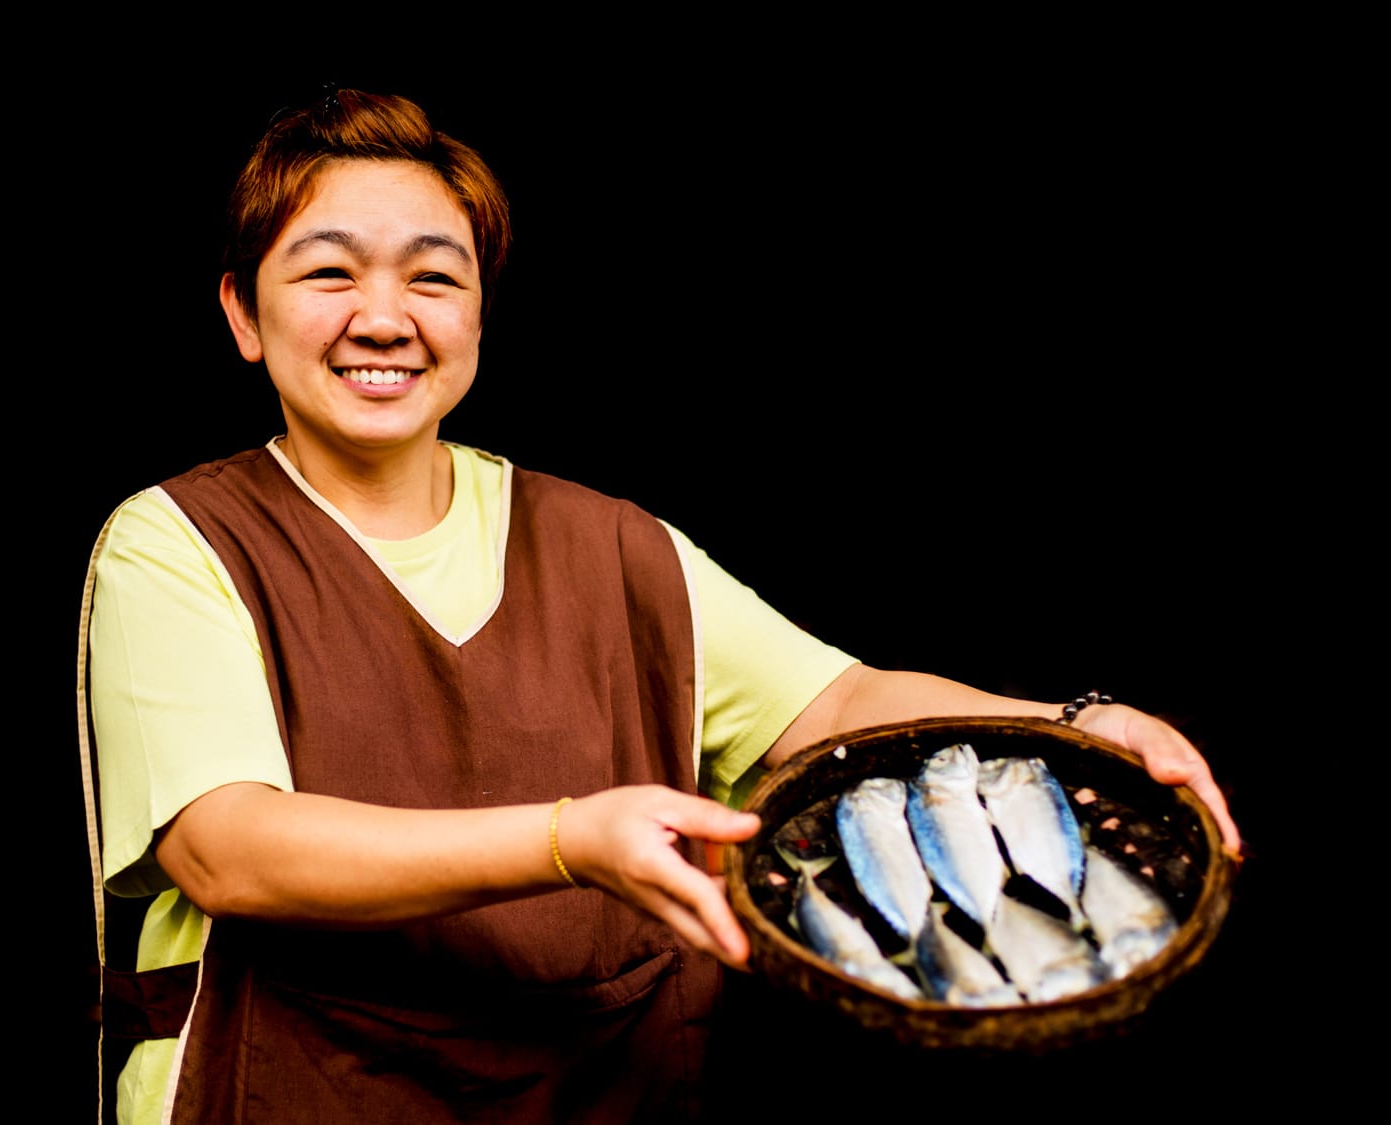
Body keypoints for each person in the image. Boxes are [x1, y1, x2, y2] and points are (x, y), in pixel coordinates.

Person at [77, 88, 1241, 1124]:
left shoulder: (612, 544)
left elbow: (835, 700)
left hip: (603, 1087)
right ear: (241, 312)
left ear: (480, 312)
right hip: (286, 1086)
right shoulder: (180, 541)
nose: (385, 317)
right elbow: (226, 848)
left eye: (434, 275)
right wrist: (566, 840)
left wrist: (1070, 722)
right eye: (329, 272)